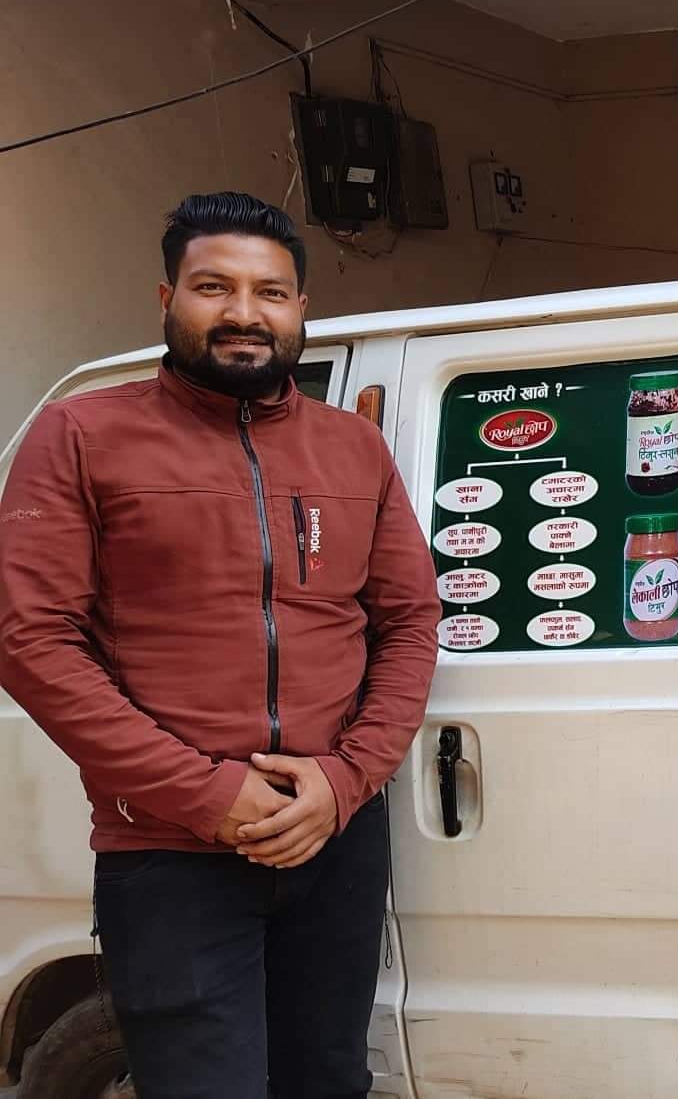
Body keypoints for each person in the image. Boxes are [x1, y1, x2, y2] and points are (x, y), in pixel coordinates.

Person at [0, 192, 441, 1099]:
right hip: (170, 852)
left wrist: (344, 779)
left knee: (329, 1081)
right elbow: (29, 639)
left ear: (300, 308)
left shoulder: (354, 449)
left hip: (333, 840)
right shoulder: (82, 435)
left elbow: (409, 621)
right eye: (214, 287)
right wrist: (207, 793)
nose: (244, 312)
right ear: (168, 298)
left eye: (270, 292)